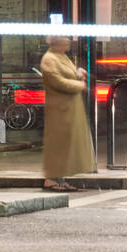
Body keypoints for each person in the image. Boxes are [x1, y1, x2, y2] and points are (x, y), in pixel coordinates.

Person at [40, 36, 96, 190]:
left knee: (66, 144)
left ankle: (60, 177)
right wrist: (79, 85)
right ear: (57, 42)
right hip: (59, 109)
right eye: (65, 39)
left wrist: (78, 73)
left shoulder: (62, 56)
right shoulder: (49, 58)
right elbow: (57, 81)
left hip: (68, 108)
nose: (68, 42)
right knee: (58, 144)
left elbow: (67, 75)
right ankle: (50, 179)